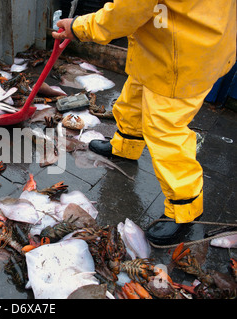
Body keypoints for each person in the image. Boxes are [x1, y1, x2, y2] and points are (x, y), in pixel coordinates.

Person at [53, 0, 236, 245]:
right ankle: (125, 148)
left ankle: (185, 208)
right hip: (166, 46)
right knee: (132, 101)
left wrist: (78, 27)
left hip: (181, 58)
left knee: (165, 132)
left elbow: (126, 10)